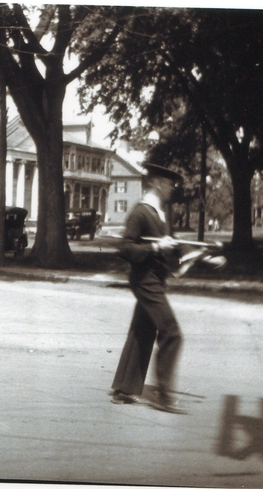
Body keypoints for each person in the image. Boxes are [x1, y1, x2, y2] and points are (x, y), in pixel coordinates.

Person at [110, 164, 187, 414]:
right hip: (144, 279)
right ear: (156, 183)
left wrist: (198, 256)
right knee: (172, 333)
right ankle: (162, 396)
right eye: (169, 184)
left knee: (142, 330)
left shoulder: (159, 213)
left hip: (155, 278)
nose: (172, 189)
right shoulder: (141, 212)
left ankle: (124, 388)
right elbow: (125, 248)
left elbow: (168, 247)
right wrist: (155, 249)